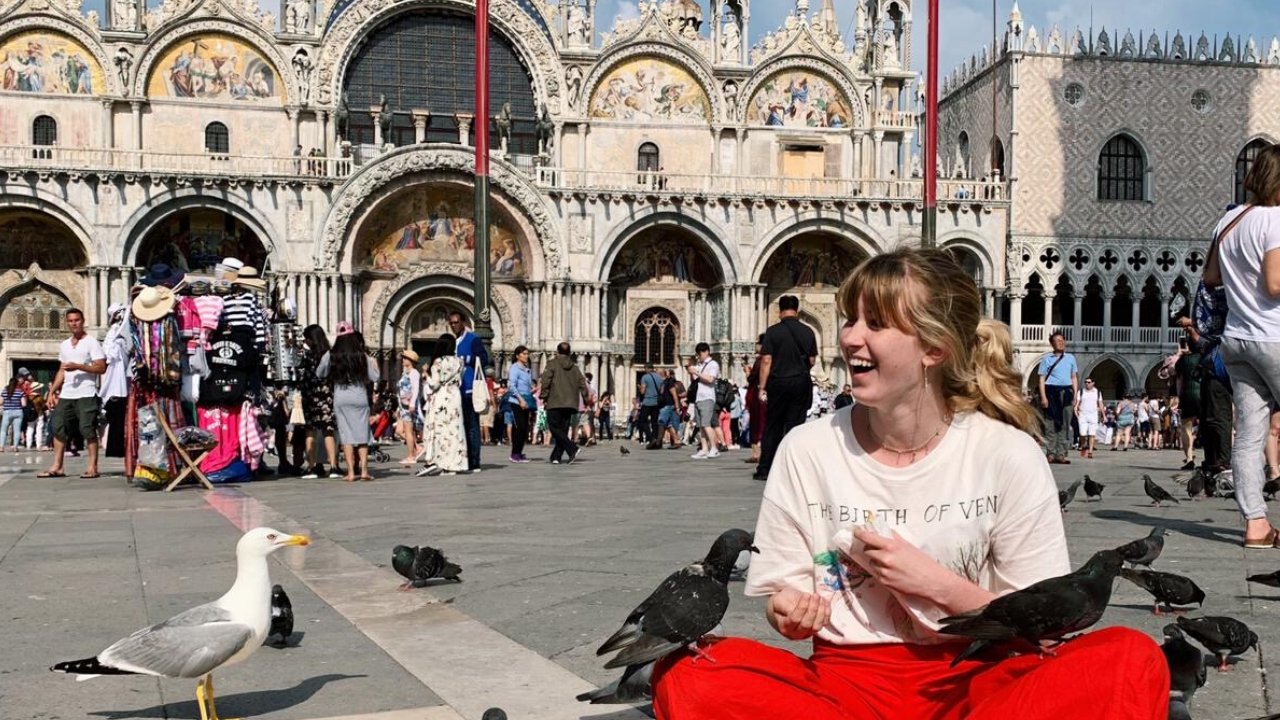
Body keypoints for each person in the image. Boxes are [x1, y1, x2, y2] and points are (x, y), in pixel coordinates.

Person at [650, 247, 1169, 719]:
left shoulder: (1008, 454)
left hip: (981, 681)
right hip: (843, 689)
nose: (850, 336)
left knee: (1130, 658)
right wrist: (789, 613)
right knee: (690, 675)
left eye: (874, 323)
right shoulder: (807, 450)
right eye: (850, 319)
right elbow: (784, 598)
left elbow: (1046, 620)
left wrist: (936, 584)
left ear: (934, 348)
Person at [1210, 145, 1280, 548]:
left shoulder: (1230, 219)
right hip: (1273, 336)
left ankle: (1256, 524)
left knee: (1251, 436)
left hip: (1237, 339)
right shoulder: (1275, 221)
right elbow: (1274, 283)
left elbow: (1212, 276)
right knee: (1255, 435)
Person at [755, 296, 818, 481]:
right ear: (796, 310)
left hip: (778, 382)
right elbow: (812, 360)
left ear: (780, 310)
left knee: (773, 425)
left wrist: (762, 387)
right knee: (796, 427)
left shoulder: (773, 332)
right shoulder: (808, 331)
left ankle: (765, 468)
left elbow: (766, 360)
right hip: (800, 382)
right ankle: (793, 470)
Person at [39, 308, 106, 479]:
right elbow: (62, 370)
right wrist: (52, 391)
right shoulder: (65, 345)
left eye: (76, 320)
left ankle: (92, 467)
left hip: (86, 392)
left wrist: (79, 366)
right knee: (58, 427)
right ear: (67, 323)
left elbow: (101, 367)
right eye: (70, 321)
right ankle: (57, 466)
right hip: (67, 394)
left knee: (87, 429)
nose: (74, 323)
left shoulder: (91, 342)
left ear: (82, 321)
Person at [318, 331, 379, 482]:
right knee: (363, 435)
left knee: (347, 436)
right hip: (359, 397)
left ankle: (351, 472)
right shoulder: (362, 356)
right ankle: (364, 471)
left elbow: (320, 373)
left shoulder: (331, 355)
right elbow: (375, 377)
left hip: (341, 397)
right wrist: (371, 361)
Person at [419, 334, 467, 476]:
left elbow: (434, 384)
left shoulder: (438, 362)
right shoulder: (460, 361)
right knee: (455, 429)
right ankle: (455, 464)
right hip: (455, 396)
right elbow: (460, 379)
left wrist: (425, 374)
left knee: (440, 431)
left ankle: (440, 461)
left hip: (441, 397)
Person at [449, 311, 490, 472]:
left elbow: (484, 359)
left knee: (472, 426)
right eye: (451, 323)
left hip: (469, 389)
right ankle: (462, 459)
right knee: (459, 426)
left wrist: (465, 359)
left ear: (463, 322)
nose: (454, 325)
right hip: (454, 390)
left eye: (456, 322)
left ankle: (475, 461)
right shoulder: (453, 341)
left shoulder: (473, 339)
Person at [539, 342, 589, 464]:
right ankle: (556, 457)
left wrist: (544, 396)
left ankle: (572, 448)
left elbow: (546, 381)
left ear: (557, 351)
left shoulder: (552, 364)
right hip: (570, 403)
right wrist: (586, 399)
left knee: (554, 427)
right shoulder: (575, 367)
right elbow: (583, 384)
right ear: (569, 352)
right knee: (563, 429)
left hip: (555, 400)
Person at [298, 324, 338, 479]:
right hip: (327, 396)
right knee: (328, 431)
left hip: (310, 396)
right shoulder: (330, 355)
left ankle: (311, 467)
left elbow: (302, 377)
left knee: (310, 431)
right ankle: (334, 466)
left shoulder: (307, 357)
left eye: (306, 338)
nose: (305, 341)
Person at [1036, 331, 1078, 464]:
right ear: (1052, 344)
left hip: (1066, 392)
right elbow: (1042, 379)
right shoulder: (1046, 359)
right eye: (1057, 340)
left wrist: (1075, 394)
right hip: (1051, 392)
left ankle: (1061, 454)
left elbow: (1074, 377)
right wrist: (1043, 397)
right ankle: (1051, 453)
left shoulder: (1071, 358)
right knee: (1050, 425)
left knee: (1065, 425)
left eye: (1062, 340)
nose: (1060, 342)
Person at [99, 303, 131, 458]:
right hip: (117, 381)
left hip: (127, 377)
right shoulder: (113, 332)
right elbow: (109, 354)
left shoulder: (125, 329)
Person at [685, 342, 722, 459]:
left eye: (700, 353)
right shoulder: (700, 365)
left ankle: (714, 448)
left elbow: (711, 379)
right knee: (700, 425)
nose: (698, 356)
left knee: (706, 424)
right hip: (698, 398)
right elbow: (696, 379)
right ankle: (704, 449)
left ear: (706, 352)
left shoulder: (713, 364)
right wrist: (692, 371)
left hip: (707, 397)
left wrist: (696, 372)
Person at [505, 345, 535, 463]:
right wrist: (520, 399)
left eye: (527, 353)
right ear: (517, 356)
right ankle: (514, 454)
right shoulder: (515, 368)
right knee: (520, 427)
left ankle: (519, 452)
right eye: (524, 354)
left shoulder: (527, 369)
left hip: (526, 400)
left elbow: (526, 386)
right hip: (517, 401)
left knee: (524, 428)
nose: (526, 356)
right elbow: (511, 385)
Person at [396, 350, 422, 466]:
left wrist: (412, 403)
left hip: (408, 406)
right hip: (403, 406)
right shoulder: (405, 373)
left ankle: (411, 455)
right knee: (401, 430)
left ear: (410, 360)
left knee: (408, 431)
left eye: (405, 358)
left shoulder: (414, 373)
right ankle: (416, 449)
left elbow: (415, 389)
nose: (403, 360)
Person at [1074, 377, 1104, 459]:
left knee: (1092, 434)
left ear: (1093, 383)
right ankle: (1084, 445)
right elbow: (1077, 403)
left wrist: (1104, 416)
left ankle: (1090, 451)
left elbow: (1100, 404)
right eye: (1086, 382)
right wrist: (1076, 409)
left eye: (1089, 382)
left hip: (1093, 414)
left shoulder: (1097, 392)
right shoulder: (1081, 392)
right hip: (1083, 414)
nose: (1087, 383)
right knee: (1082, 433)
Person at [638, 363, 663, 448]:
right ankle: (655, 439)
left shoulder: (645, 377)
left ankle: (650, 438)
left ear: (647, 368)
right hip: (656, 403)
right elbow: (661, 390)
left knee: (642, 420)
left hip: (647, 402)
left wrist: (640, 388)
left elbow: (642, 391)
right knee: (654, 422)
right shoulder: (659, 377)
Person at [0, 373, 25, 452]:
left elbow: (0, 402)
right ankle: (15, 447)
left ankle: (1, 447)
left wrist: (7, 403)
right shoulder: (20, 392)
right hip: (18, 412)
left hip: (7, 412)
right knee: (17, 430)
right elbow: (24, 404)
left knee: (3, 430)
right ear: (17, 383)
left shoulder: (4, 391)